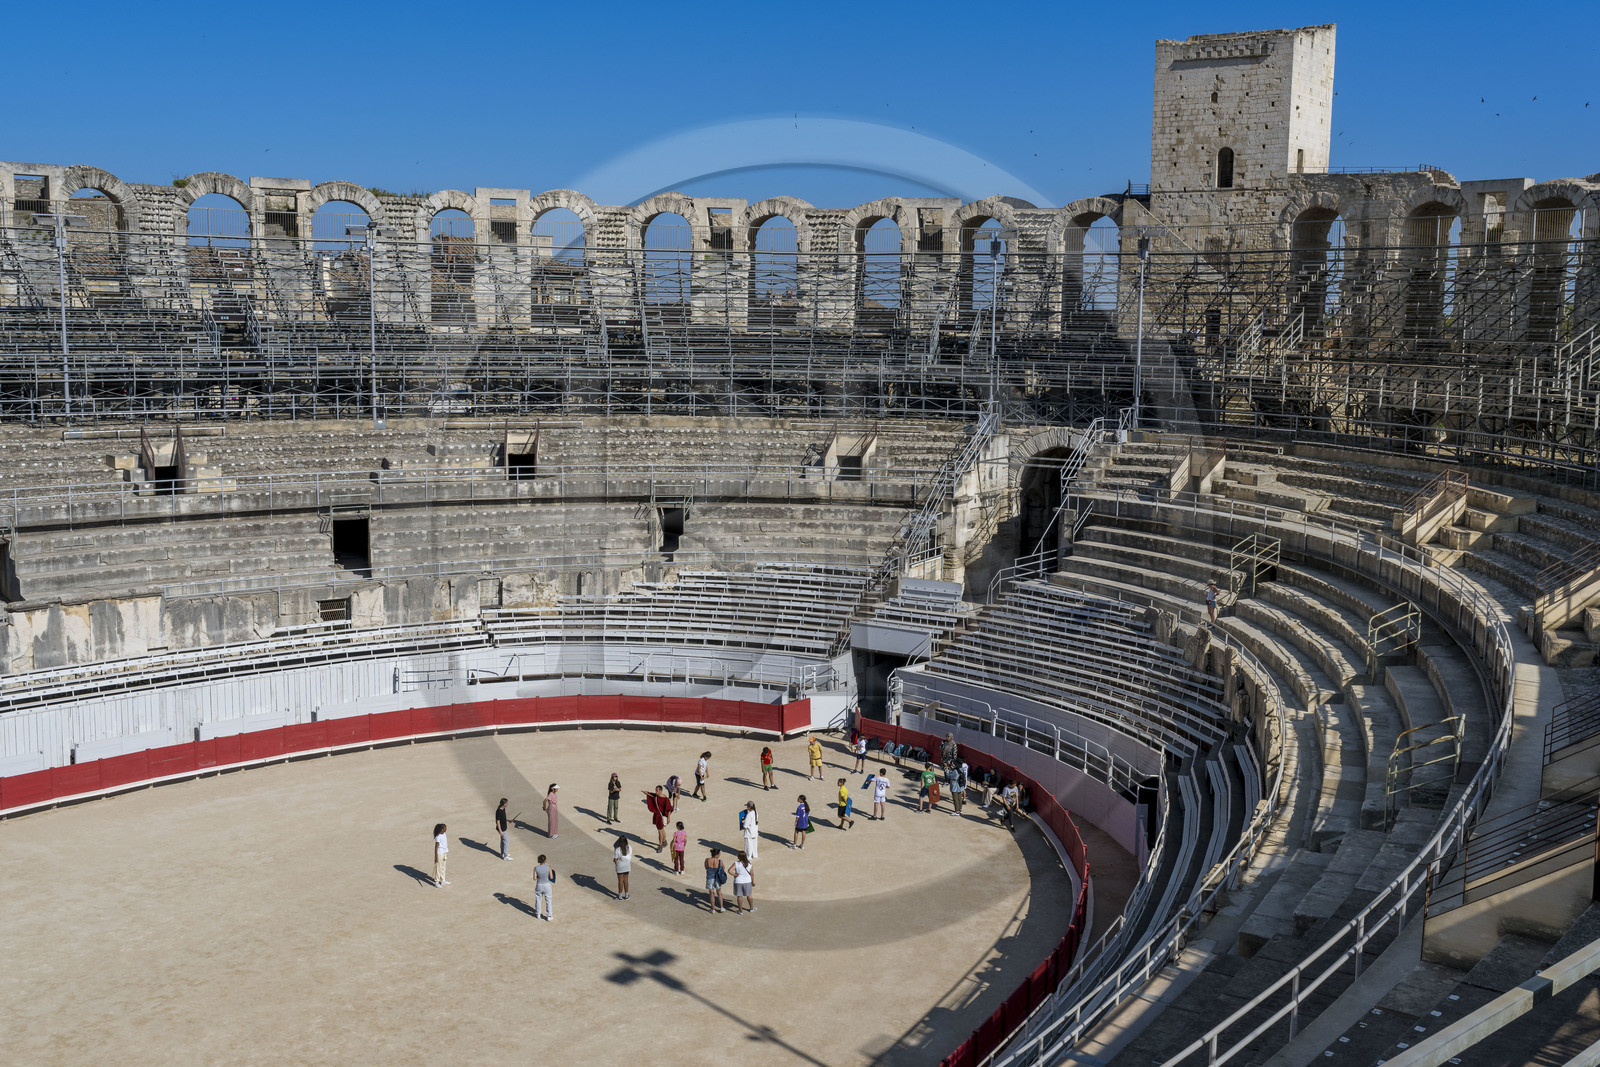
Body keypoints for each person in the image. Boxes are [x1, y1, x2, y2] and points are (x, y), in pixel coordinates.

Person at [644, 785, 672, 851]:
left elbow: (669, 809)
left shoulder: (665, 799)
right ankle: (664, 841)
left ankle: (660, 845)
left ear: (660, 791)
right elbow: (652, 794)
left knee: (660, 830)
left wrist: (668, 818)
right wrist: (646, 792)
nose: (656, 792)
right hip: (657, 815)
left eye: (657, 790)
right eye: (655, 790)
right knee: (662, 829)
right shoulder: (657, 796)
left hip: (660, 816)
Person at [729, 850, 755, 914]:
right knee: (749, 895)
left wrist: (735, 875)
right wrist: (752, 881)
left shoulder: (736, 863)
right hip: (747, 881)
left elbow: (729, 871)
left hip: (738, 881)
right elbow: (752, 874)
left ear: (739, 857)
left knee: (739, 896)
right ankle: (751, 908)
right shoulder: (749, 864)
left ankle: (740, 911)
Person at [533, 854, 555, 921]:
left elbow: (534, 878)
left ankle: (538, 914)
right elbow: (551, 877)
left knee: (538, 899)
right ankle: (549, 916)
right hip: (547, 885)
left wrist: (539, 876)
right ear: (545, 860)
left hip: (539, 885)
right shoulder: (549, 867)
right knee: (548, 900)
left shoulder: (536, 868)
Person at [704, 847, 726, 913]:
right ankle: (721, 907)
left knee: (711, 893)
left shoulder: (707, 860)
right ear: (717, 854)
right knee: (719, 892)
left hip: (710, 878)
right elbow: (723, 868)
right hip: (717, 879)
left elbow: (706, 868)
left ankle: (713, 909)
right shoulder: (720, 861)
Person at [613, 835, 632, 899]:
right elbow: (629, 856)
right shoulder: (629, 847)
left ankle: (620, 896)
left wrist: (617, 863)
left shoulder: (617, 849)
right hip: (627, 865)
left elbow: (615, 860)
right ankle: (627, 895)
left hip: (620, 866)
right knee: (626, 880)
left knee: (620, 881)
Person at [432, 822, 450, 887]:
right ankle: (436, 882)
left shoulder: (444, 834)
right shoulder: (438, 836)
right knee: (439, 868)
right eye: (445, 827)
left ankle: (443, 880)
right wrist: (436, 856)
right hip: (440, 853)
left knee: (443, 867)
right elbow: (436, 847)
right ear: (442, 829)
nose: (446, 828)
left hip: (445, 852)